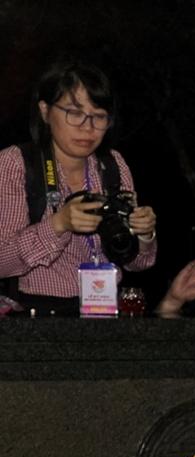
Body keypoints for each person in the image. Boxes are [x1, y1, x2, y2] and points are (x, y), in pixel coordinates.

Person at [0, 61, 157, 314]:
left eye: (99, 116)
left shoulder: (113, 165)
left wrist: (144, 234)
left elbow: (139, 263)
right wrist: (58, 225)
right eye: (74, 113)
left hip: (105, 313)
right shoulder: (15, 163)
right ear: (45, 111)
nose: (88, 127)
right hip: (36, 316)